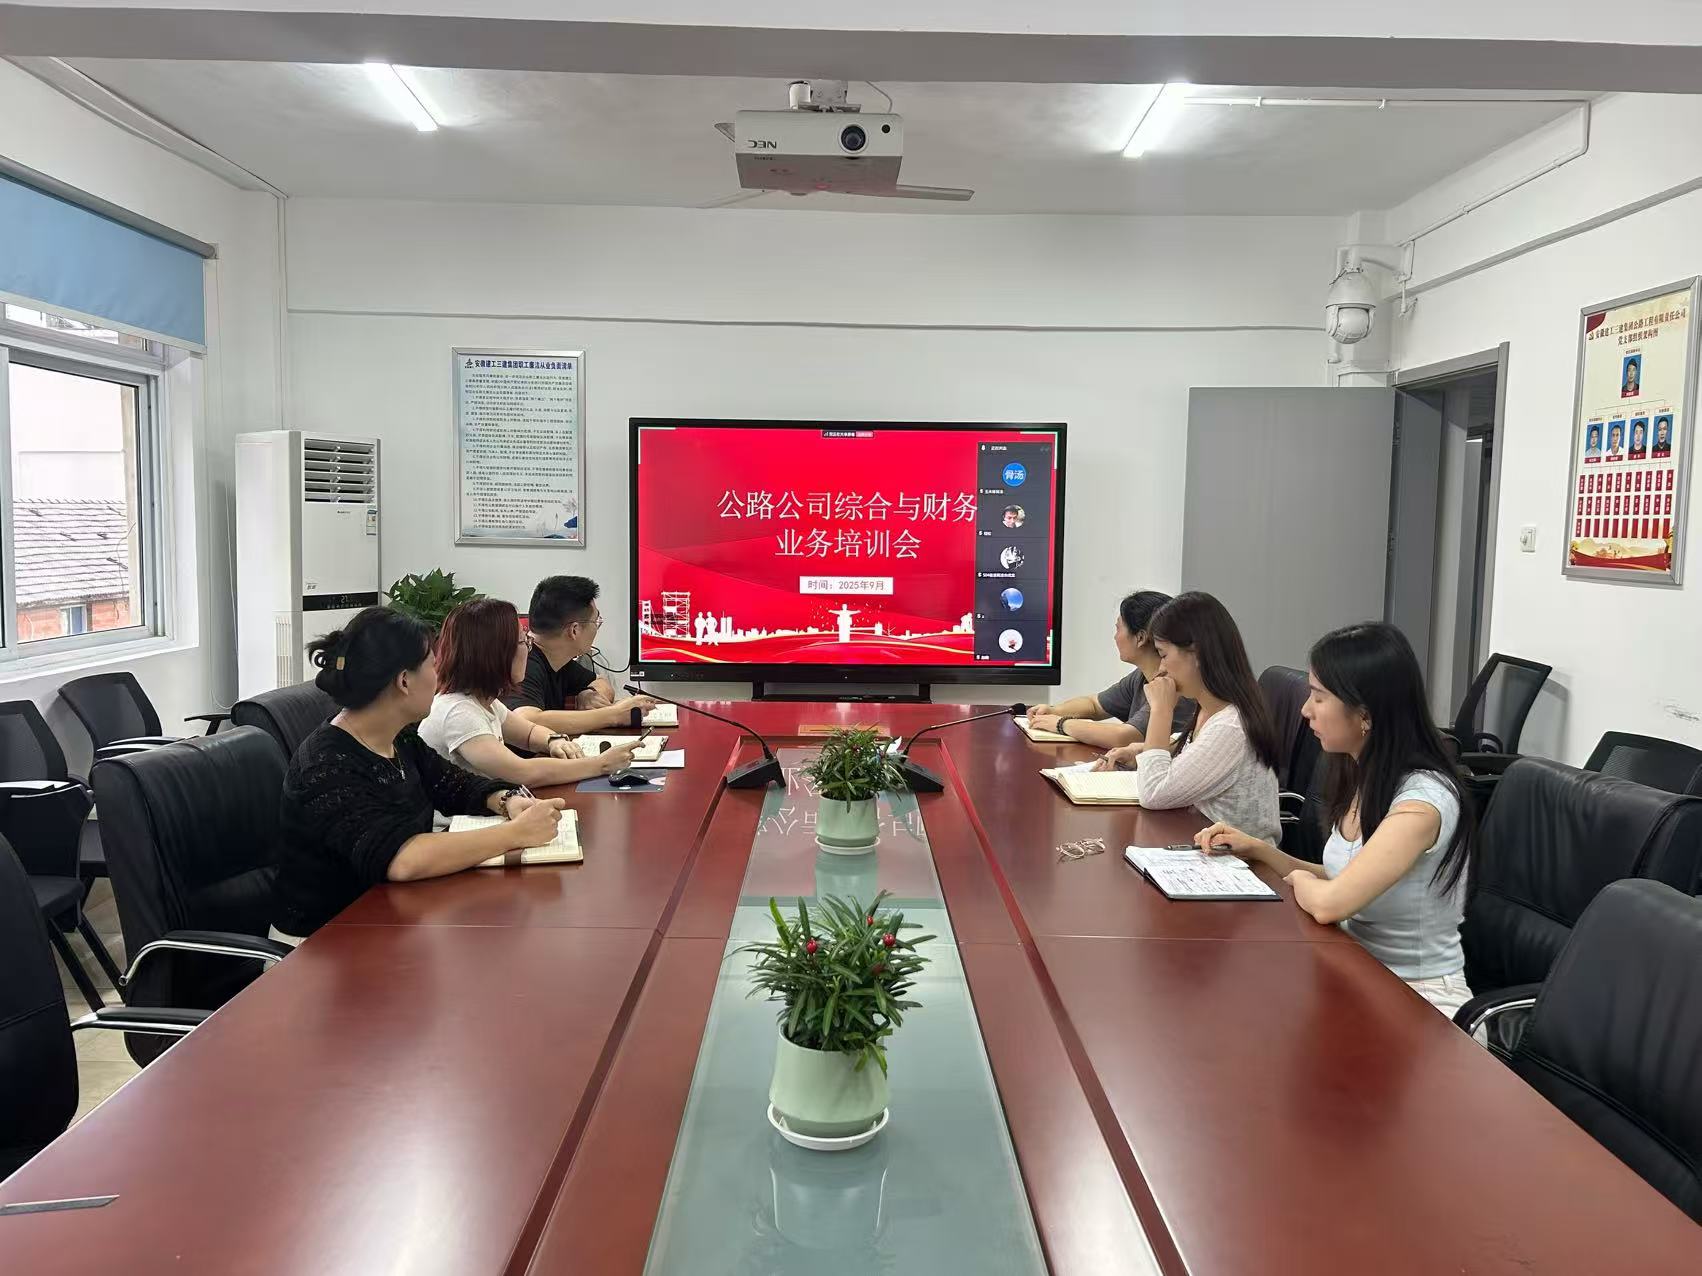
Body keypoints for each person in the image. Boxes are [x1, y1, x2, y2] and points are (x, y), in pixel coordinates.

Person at [1193, 622, 1476, 1016]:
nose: (1305, 709)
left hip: (1419, 999)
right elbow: (1342, 877)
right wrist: (1259, 850)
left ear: (1365, 715)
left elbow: (1330, 903)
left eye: (1319, 696)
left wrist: (1303, 882)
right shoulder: (1364, 773)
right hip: (1356, 969)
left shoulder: (1421, 804)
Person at [272, 606, 568, 942]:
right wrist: (516, 834)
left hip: (391, 919)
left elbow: (454, 784)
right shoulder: (326, 764)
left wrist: (506, 800)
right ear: (404, 681)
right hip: (323, 945)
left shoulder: (398, 737)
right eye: (432, 663)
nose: (438, 673)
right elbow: (402, 858)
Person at [1092, 592, 1281, 841]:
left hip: (1237, 860)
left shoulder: (1231, 726)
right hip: (1198, 840)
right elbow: (1194, 751)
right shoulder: (1209, 709)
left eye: (1163, 655)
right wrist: (1139, 751)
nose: (1161, 668)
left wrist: (1161, 710)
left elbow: (1153, 793)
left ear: (1197, 654)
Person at [422, 598, 639, 783]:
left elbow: (528, 733)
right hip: (460, 819)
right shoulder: (460, 713)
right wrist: (601, 764)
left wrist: (553, 741)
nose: (529, 648)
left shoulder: (485, 702)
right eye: (523, 641)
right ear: (497, 654)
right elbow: (522, 773)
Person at [1027, 589, 1197, 749]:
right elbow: (1095, 705)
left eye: (1118, 628)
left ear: (1140, 638)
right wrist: (1054, 711)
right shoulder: (1141, 676)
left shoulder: (1174, 687)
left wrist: (1060, 723)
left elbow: (1124, 737)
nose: (1115, 637)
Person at [507, 576, 654, 736]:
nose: (597, 628)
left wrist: (589, 694)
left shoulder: (557, 658)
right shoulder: (523, 662)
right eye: (596, 621)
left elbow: (600, 682)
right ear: (574, 630)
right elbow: (525, 720)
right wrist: (614, 715)